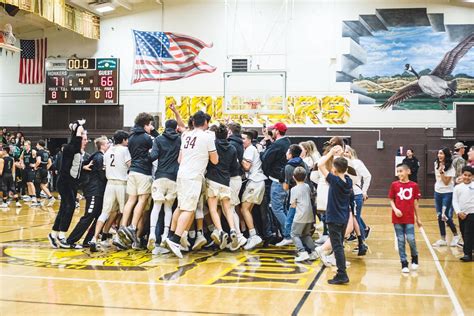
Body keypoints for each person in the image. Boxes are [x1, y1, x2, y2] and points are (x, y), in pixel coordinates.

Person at [165, 111, 218, 258]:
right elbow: (215, 160)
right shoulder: (208, 137)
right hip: (193, 176)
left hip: (181, 174)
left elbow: (180, 159)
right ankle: (175, 240)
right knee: (189, 210)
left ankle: (170, 236)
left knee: (181, 207)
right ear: (206, 123)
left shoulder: (185, 135)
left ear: (193, 122)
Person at [118, 112, 157, 248]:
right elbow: (154, 152)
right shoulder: (147, 138)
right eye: (150, 124)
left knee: (131, 200)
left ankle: (123, 227)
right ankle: (133, 227)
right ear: (145, 124)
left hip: (132, 172)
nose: (151, 127)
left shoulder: (130, 137)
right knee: (142, 200)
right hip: (143, 173)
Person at [62, 136, 109, 248]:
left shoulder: (98, 156)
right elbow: (102, 176)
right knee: (89, 215)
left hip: (99, 191)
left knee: (99, 217)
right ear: (102, 146)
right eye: (107, 143)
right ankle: (71, 240)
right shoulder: (98, 157)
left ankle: (88, 240)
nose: (109, 145)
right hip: (94, 191)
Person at [48, 120, 87, 249]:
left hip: (70, 183)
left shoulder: (77, 151)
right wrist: (78, 126)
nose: (85, 140)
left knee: (65, 207)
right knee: (70, 207)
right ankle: (62, 236)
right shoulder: (71, 148)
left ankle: (54, 234)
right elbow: (76, 135)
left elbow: (75, 166)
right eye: (83, 138)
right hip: (65, 182)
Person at [89, 131, 131, 252]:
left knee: (105, 212)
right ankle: (119, 238)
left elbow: (106, 167)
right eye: (126, 139)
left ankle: (94, 238)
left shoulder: (108, 152)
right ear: (123, 140)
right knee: (124, 212)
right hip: (121, 184)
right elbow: (130, 165)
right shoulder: (124, 150)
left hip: (109, 184)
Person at [317, 145, 352, 285]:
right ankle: (341, 272)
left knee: (337, 247)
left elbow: (320, 164)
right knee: (339, 245)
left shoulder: (335, 180)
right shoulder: (347, 180)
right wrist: (340, 156)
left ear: (334, 170)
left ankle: (342, 274)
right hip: (343, 217)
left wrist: (331, 152)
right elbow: (342, 168)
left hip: (334, 218)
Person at [206, 124, 241, 250]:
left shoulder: (212, 145)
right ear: (227, 135)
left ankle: (220, 231)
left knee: (213, 209)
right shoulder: (232, 148)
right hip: (226, 181)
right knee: (228, 209)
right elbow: (234, 167)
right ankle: (232, 230)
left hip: (213, 180)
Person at [148, 119, 181, 251]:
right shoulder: (180, 140)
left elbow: (153, 156)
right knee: (168, 208)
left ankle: (151, 233)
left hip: (160, 176)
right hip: (174, 178)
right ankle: (165, 236)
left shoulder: (159, 139)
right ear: (176, 128)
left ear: (165, 127)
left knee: (156, 207)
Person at [260, 122, 291, 243]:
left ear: (277, 131)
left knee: (277, 209)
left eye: (273, 130)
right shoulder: (285, 142)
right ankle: (289, 233)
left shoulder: (278, 144)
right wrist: (268, 139)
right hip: (283, 179)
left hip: (277, 180)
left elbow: (266, 158)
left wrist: (261, 150)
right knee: (282, 208)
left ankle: (289, 234)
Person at [389, 163, 423, 273]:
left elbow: (415, 204)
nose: (399, 173)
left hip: (409, 218)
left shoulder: (414, 186)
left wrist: (418, 218)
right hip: (397, 218)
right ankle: (404, 262)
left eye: (401, 171)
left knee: (411, 239)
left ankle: (414, 256)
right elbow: (391, 200)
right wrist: (395, 209)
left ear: (408, 171)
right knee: (400, 240)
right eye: (397, 171)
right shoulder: (394, 185)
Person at [277, 144, 310, 247]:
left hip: (295, 196)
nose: (286, 154)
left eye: (288, 152)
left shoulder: (288, 166)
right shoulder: (304, 163)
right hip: (306, 194)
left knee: (290, 218)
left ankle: (288, 237)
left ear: (291, 154)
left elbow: (286, 187)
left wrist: (282, 182)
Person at [240, 131, 267, 250]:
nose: (242, 140)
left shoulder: (250, 149)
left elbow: (246, 167)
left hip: (255, 182)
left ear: (250, 140)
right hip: (257, 182)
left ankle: (253, 235)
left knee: (244, 209)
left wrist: (237, 157)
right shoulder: (251, 149)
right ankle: (252, 235)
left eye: (244, 138)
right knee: (247, 210)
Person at [433, 148, 460, 247]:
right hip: (437, 192)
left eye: (442, 153)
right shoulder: (436, 163)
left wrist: (442, 172)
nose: (439, 155)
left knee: (445, 216)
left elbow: (446, 182)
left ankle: (456, 235)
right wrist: (439, 170)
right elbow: (438, 181)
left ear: (446, 155)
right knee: (439, 216)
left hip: (447, 193)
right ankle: (443, 239)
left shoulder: (451, 168)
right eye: (439, 153)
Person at [290, 166, 318, 262]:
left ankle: (302, 252)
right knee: (306, 235)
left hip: (300, 215)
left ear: (293, 177)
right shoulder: (307, 186)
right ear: (306, 177)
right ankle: (314, 251)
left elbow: (293, 204)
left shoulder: (293, 189)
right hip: (309, 215)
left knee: (294, 234)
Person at [344, 145, 372, 239]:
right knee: (352, 216)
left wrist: (364, 191)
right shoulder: (341, 163)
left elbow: (368, 176)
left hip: (356, 194)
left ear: (351, 153)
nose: (345, 153)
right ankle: (362, 229)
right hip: (346, 194)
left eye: (347, 152)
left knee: (355, 217)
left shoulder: (356, 163)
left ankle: (362, 241)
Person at [453, 166, 474, 262]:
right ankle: (470, 248)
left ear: (472, 177)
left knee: (468, 233)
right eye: (465, 175)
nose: (467, 177)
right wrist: (458, 212)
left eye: (469, 176)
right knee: (463, 232)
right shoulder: (457, 187)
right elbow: (455, 201)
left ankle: (467, 254)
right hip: (461, 214)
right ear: (462, 175)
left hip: (472, 214)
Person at [34, 140, 55, 206]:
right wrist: (46, 168)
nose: (36, 146)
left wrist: (35, 167)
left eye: (37, 144)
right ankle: (51, 197)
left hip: (39, 170)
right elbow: (50, 163)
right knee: (42, 185)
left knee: (37, 185)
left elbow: (38, 161)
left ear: (39, 145)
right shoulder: (46, 153)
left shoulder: (39, 152)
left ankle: (38, 202)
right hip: (45, 170)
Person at [20, 140, 39, 206]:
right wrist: (22, 164)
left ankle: (34, 196)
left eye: (26, 145)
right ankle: (30, 196)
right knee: (28, 183)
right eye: (24, 145)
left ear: (29, 145)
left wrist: (35, 165)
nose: (24, 146)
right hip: (26, 168)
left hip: (31, 169)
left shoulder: (33, 151)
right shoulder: (24, 152)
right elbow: (21, 158)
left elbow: (39, 158)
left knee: (31, 182)